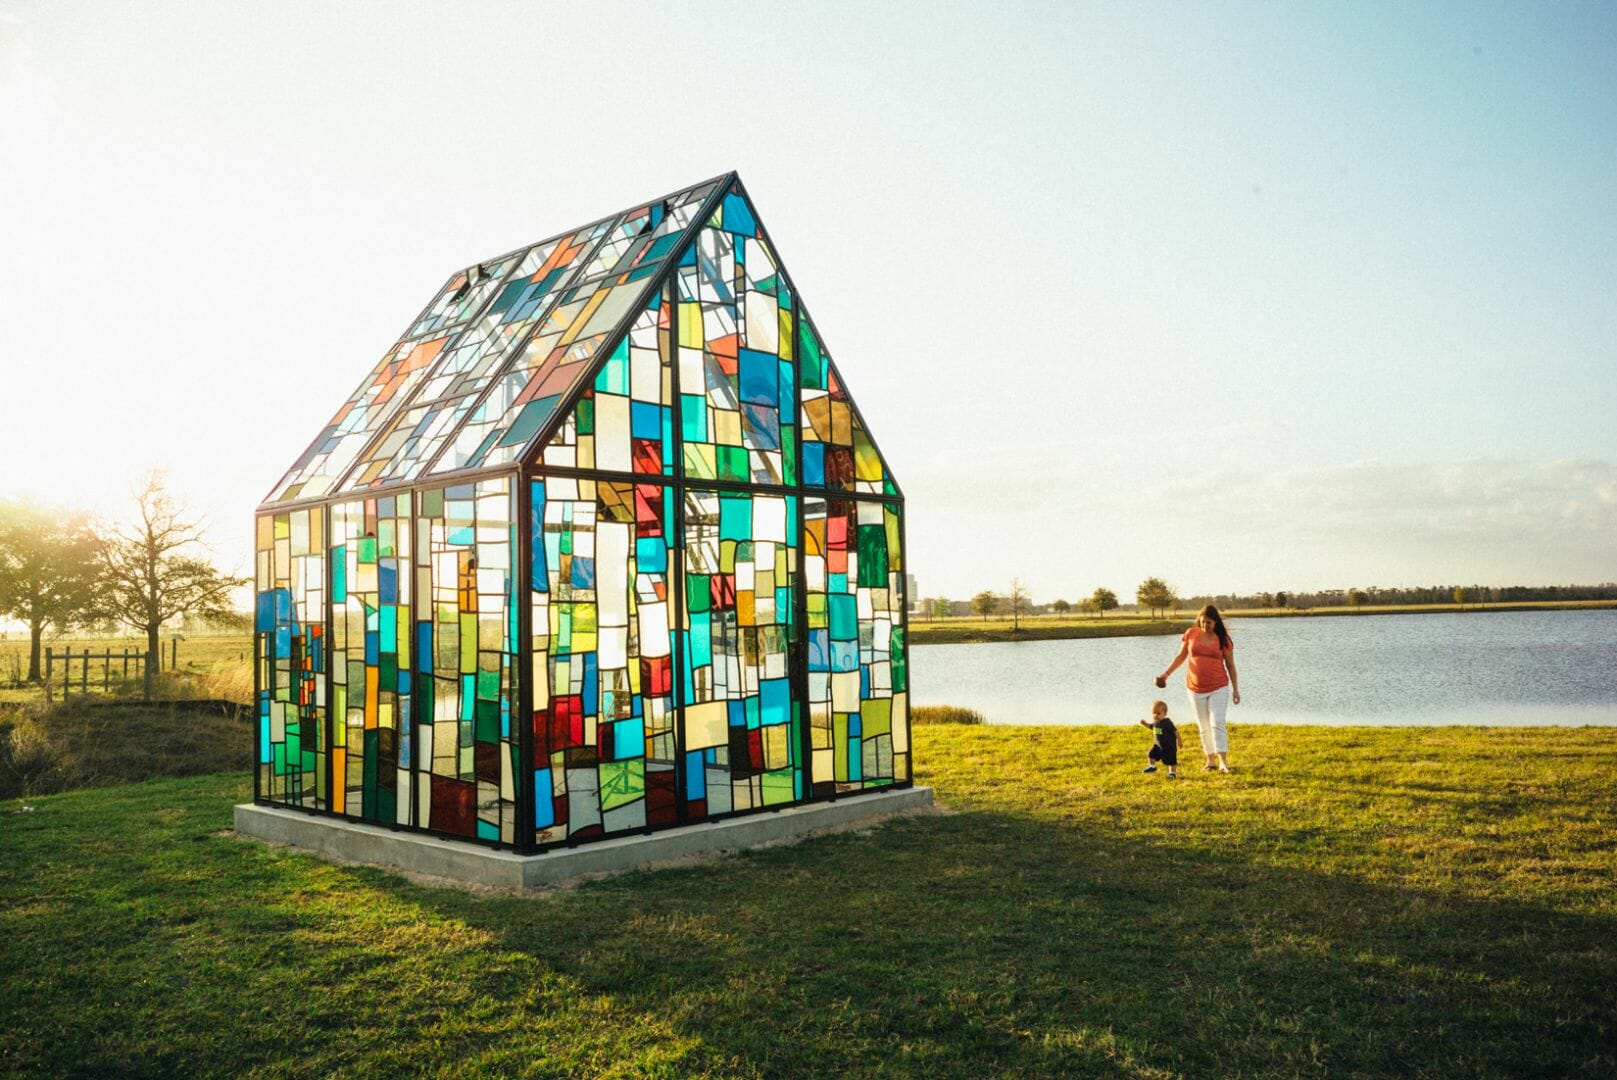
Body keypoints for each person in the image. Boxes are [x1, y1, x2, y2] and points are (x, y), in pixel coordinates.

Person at [1156, 604, 1241, 772]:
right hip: (1195, 688)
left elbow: (1231, 665)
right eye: (1202, 622)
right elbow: (1181, 656)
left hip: (1219, 687)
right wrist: (1165, 675)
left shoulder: (1223, 640)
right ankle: (1210, 760)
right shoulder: (1191, 634)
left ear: (1216, 622)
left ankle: (1223, 761)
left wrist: (1236, 690)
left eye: (1208, 622)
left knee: (1217, 722)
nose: (1205, 625)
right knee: (1203, 725)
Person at [1138, 699, 1181, 778]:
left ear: (1165, 713)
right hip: (1158, 746)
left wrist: (1179, 741)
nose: (1155, 715)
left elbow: (1176, 732)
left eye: (1158, 713)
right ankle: (1152, 767)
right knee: (1151, 754)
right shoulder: (1156, 722)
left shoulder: (1167, 722)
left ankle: (1172, 773)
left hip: (1169, 746)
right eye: (1154, 713)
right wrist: (1145, 724)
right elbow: (1151, 727)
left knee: (1171, 760)